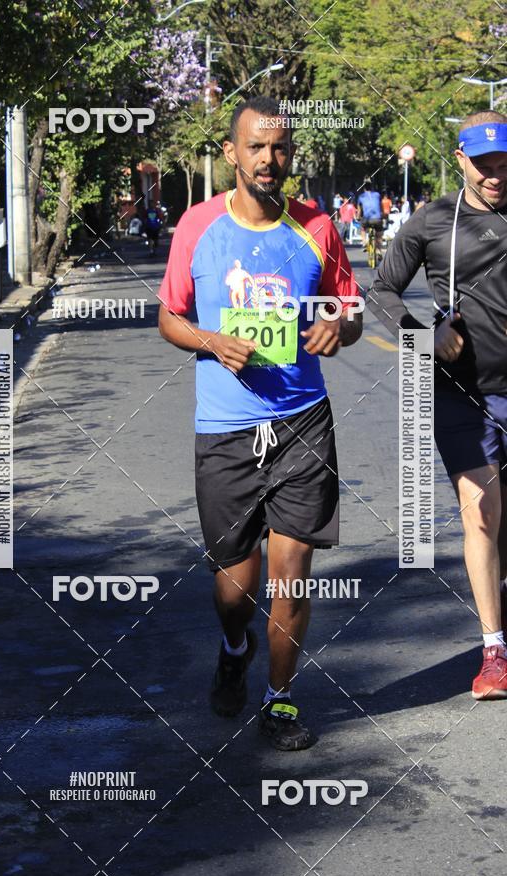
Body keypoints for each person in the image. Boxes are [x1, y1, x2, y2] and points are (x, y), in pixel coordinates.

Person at [158, 95, 362, 751]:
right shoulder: (197, 226)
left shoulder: (318, 227)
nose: (269, 159)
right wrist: (211, 341)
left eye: (279, 148)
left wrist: (338, 325)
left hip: (303, 423)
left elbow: (350, 308)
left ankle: (280, 700)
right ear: (232, 153)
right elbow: (170, 316)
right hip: (225, 429)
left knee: (292, 573)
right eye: (256, 147)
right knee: (235, 590)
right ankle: (234, 646)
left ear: (290, 154)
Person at [367, 109, 507, 699]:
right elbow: (381, 291)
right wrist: (422, 338)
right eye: (484, 164)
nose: (496, 175)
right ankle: (494, 651)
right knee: (481, 515)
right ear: (460, 160)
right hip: (462, 394)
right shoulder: (432, 221)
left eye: (504, 163)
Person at [357, 181, 383, 252]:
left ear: (364, 188)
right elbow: (380, 206)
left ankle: (364, 242)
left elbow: (359, 210)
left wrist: (358, 217)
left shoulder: (361, 196)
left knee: (362, 228)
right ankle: (378, 250)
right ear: (372, 188)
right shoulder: (377, 194)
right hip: (377, 218)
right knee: (379, 233)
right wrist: (382, 215)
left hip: (367, 219)